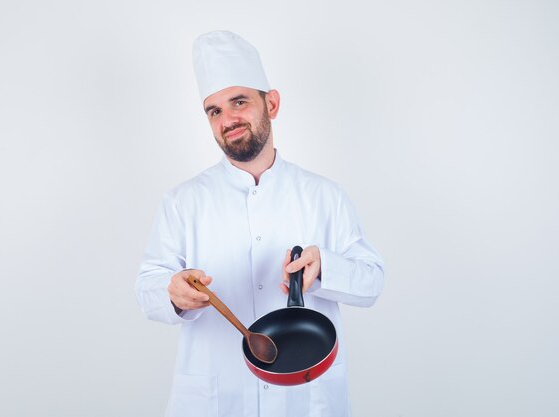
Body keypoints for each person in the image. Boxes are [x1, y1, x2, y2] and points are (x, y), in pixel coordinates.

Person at [136, 30, 384, 417]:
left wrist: (326, 268)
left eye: (239, 102)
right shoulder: (182, 202)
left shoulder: (324, 195)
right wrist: (172, 294)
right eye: (214, 110)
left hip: (306, 401)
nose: (227, 119)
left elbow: (372, 281)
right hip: (216, 400)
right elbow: (147, 286)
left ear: (272, 103)